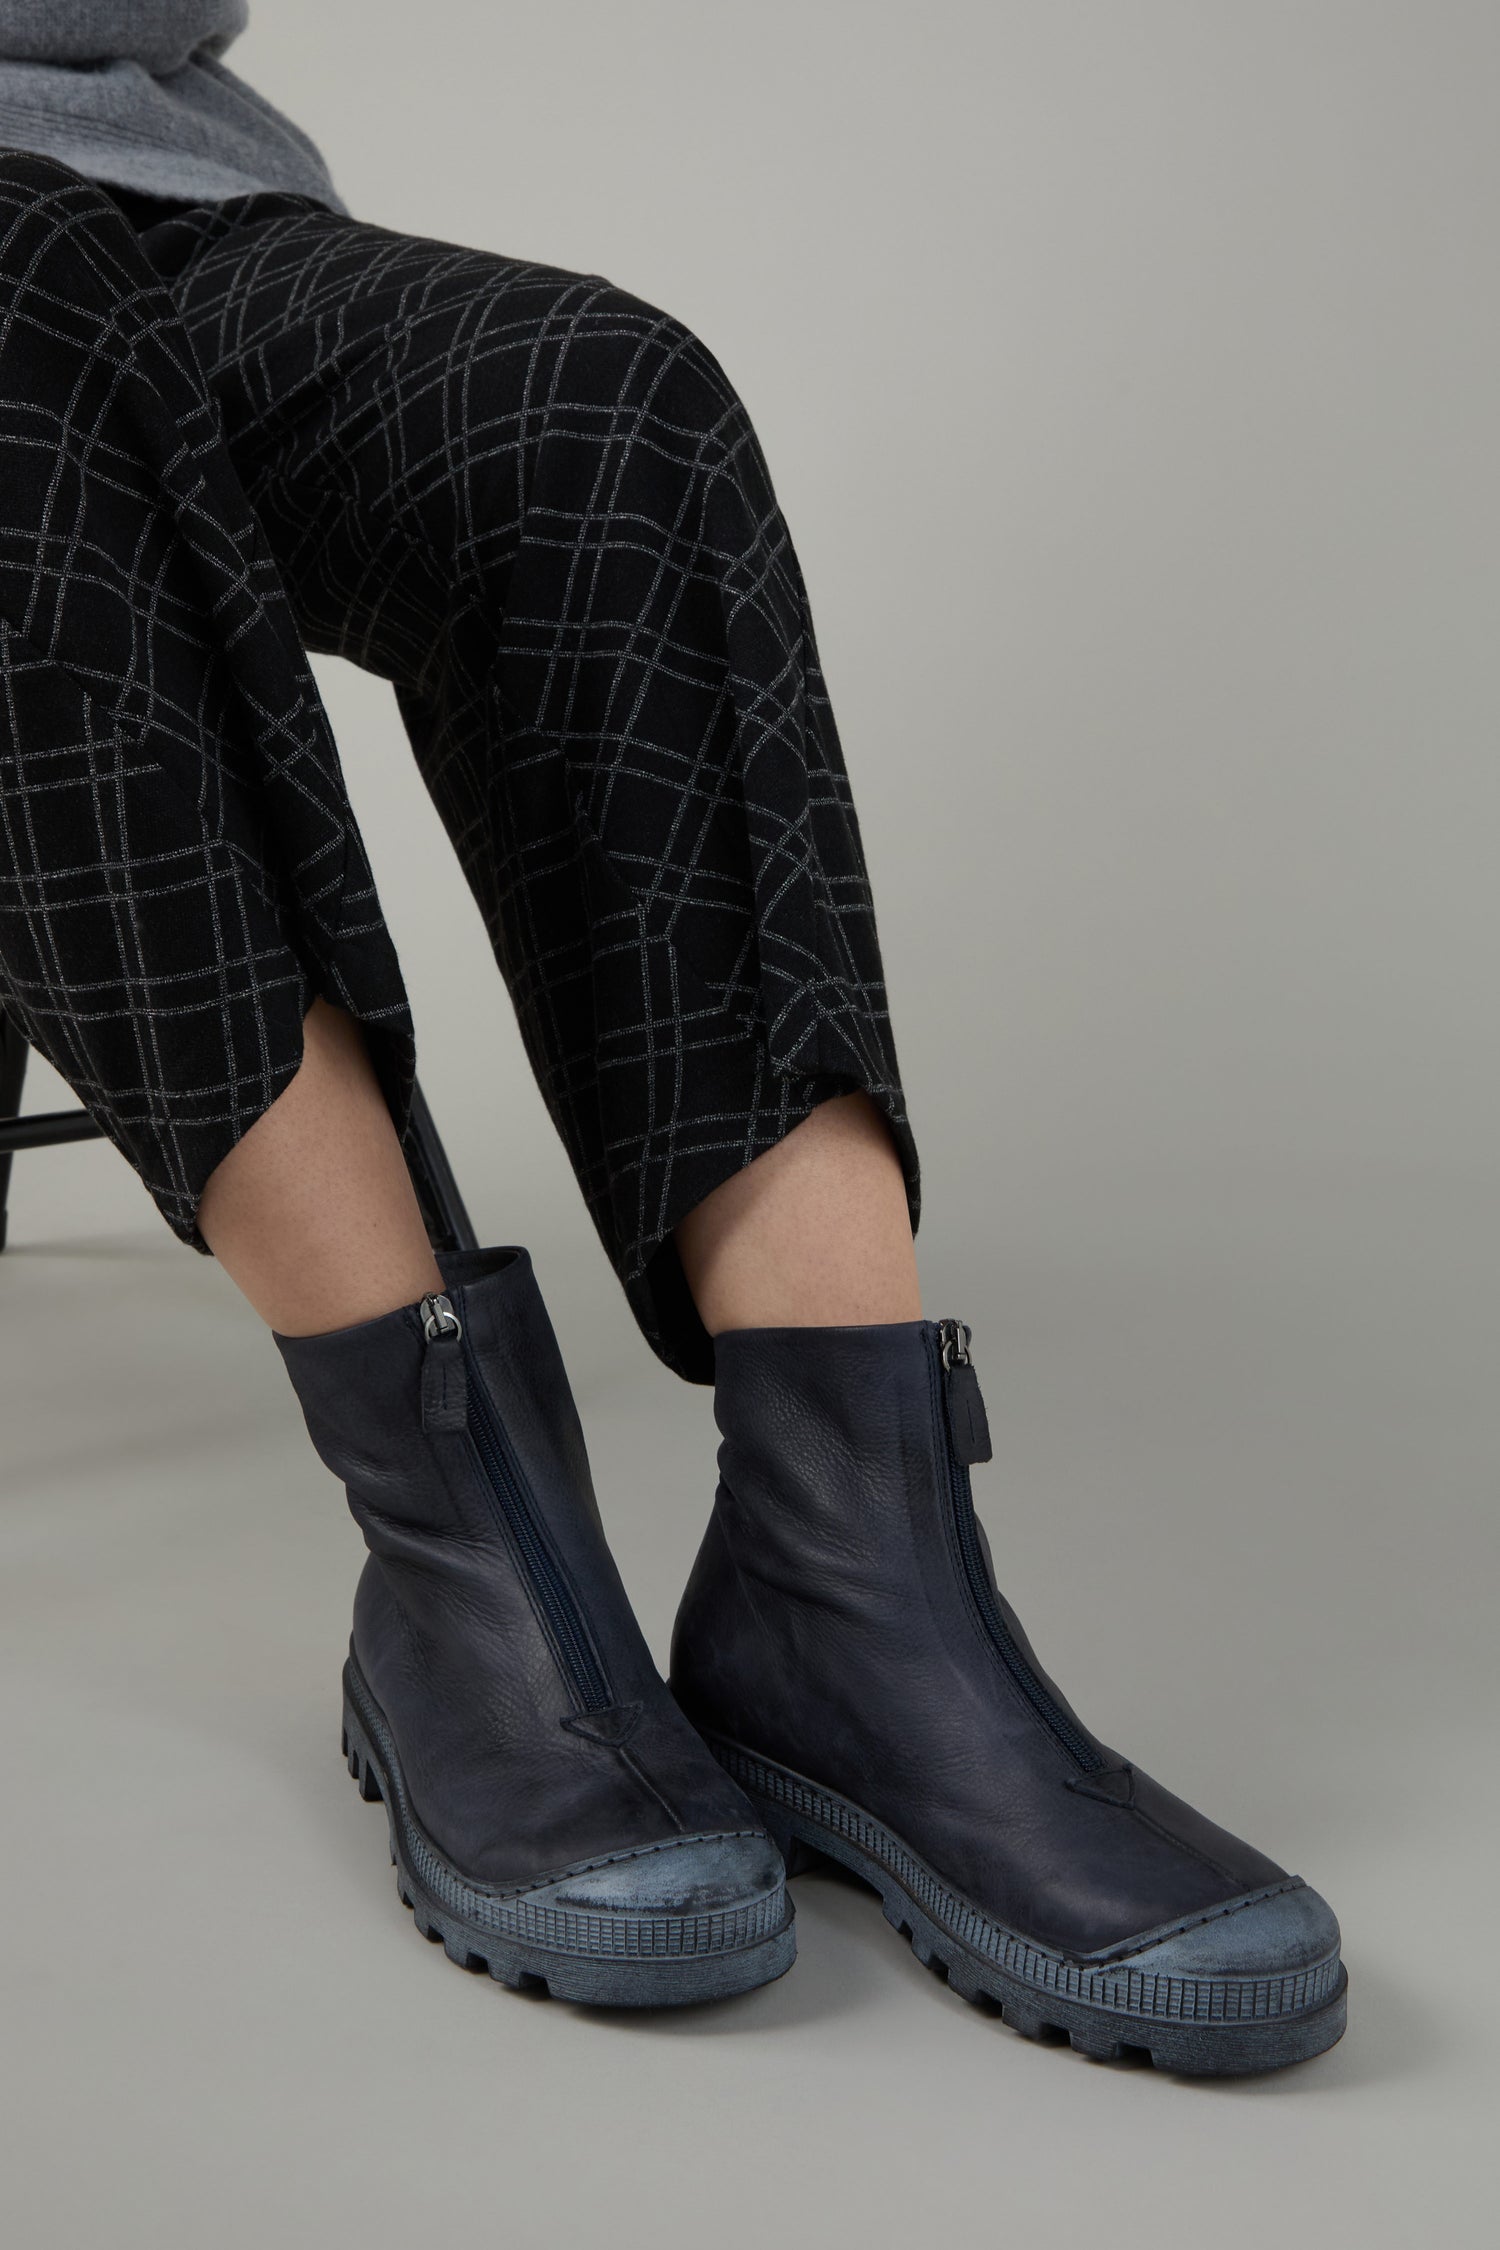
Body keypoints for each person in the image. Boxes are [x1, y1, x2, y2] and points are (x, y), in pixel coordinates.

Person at [0, 3, 1344, 2070]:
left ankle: (852, 1572)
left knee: (597, 406)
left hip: (145, 198)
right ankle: (465, 1548)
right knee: (16, 364)